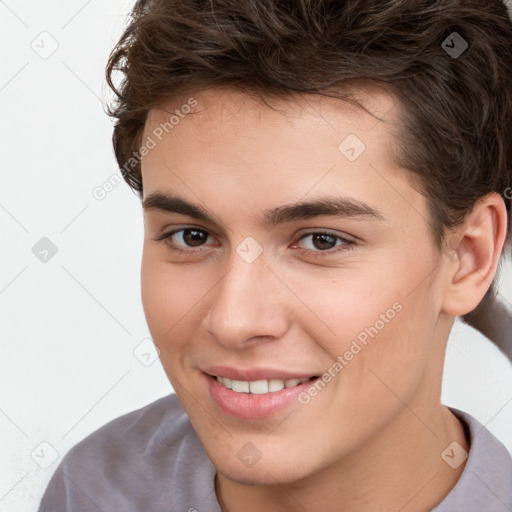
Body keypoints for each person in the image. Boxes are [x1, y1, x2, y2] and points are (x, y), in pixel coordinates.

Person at [38, 0, 512, 510]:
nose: (232, 321)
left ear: (468, 256)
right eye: (191, 236)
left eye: (321, 241)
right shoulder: (94, 490)